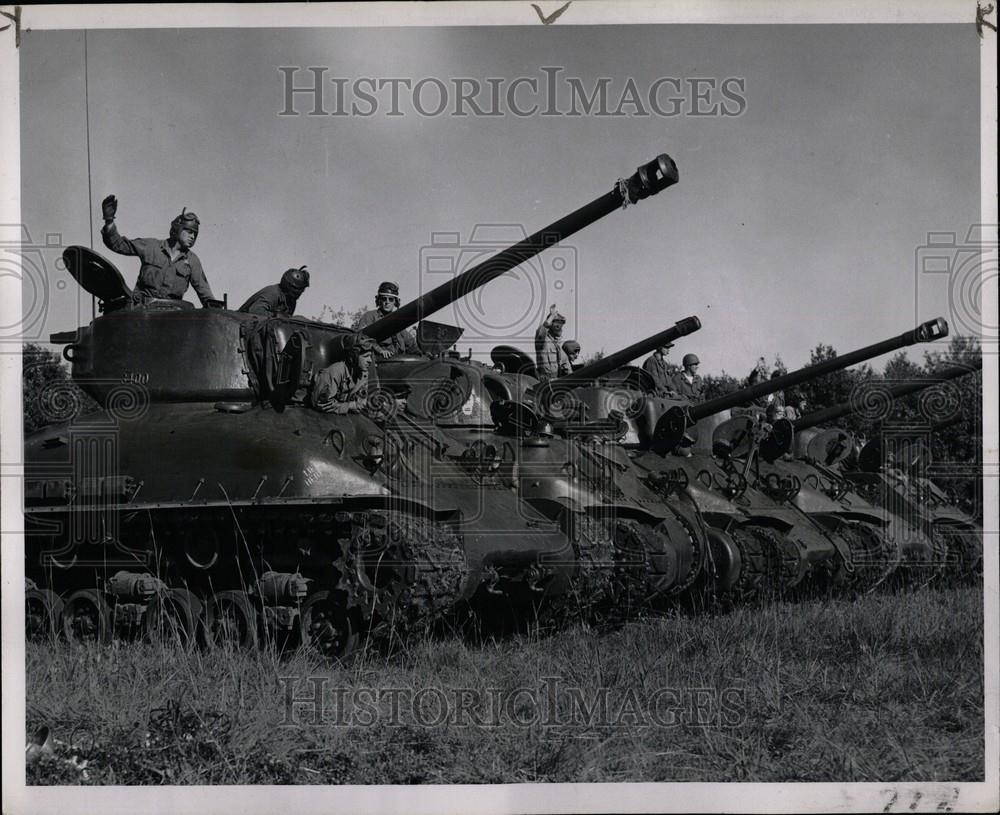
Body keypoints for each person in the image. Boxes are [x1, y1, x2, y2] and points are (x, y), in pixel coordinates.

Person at [100, 194, 215, 306]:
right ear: (178, 229)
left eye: (195, 234)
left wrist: (214, 307)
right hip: (141, 312)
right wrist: (109, 221)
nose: (192, 237)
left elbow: (204, 292)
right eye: (189, 232)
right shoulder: (151, 247)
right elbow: (119, 245)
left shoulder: (192, 261)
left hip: (171, 316)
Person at [311, 334, 379, 414]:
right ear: (354, 356)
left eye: (370, 356)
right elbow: (321, 404)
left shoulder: (363, 374)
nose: (370, 360)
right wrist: (350, 406)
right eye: (366, 356)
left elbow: (360, 402)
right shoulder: (334, 372)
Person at [353, 281, 418, 358]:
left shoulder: (398, 321)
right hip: (378, 362)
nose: (387, 302)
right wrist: (380, 350)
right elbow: (361, 338)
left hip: (398, 362)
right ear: (379, 300)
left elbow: (411, 343)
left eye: (390, 299)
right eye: (384, 299)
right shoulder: (370, 316)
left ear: (395, 302)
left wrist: (422, 353)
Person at [239, 267, 310, 317]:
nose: (300, 293)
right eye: (297, 290)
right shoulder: (273, 293)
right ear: (289, 287)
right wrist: (275, 315)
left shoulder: (291, 302)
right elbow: (254, 310)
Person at [535, 304, 572, 381]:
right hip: (542, 382)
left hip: (556, 383)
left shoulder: (560, 350)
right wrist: (551, 317)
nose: (560, 328)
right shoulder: (543, 341)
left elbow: (568, 371)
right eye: (557, 324)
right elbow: (541, 331)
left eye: (561, 325)